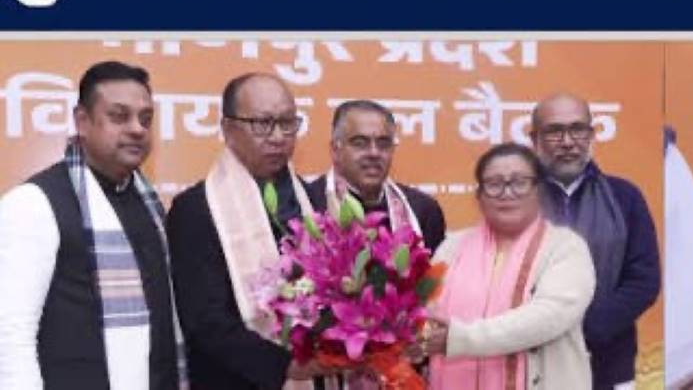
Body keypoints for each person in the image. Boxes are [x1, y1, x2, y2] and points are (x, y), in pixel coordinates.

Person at [0, 61, 186, 390]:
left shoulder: (148, 204)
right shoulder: (33, 203)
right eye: (119, 116)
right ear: (82, 121)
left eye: (145, 119)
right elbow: (10, 335)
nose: (137, 129)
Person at [166, 73, 333, 389]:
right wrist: (285, 366)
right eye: (262, 124)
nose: (278, 137)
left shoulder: (312, 201)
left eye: (287, 123)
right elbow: (205, 321)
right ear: (228, 129)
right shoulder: (196, 210)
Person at [423, 142, 596, 390]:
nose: (507, 193)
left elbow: (547, 317)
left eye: (519, 182)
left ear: (539, 190)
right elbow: (426, 311)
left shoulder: (565, 247)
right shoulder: (452, 247)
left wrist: (460, 338)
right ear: (480, 195)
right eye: (494, 184)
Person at [531, 92, 661, 390]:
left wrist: (586, 328)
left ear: (591, 135)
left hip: (609, 361)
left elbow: (643, 280)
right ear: (534, 139)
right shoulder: (517, 199)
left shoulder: (624, 196)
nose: (567, 141)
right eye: (554, 131)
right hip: (533, 361)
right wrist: (542, 326)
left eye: (578, 129)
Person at [308, 99, 445, 253]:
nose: (374, 153)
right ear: (335, 150)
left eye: (383, 143)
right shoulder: (308, 204)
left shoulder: (423, 210)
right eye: (360, 143)